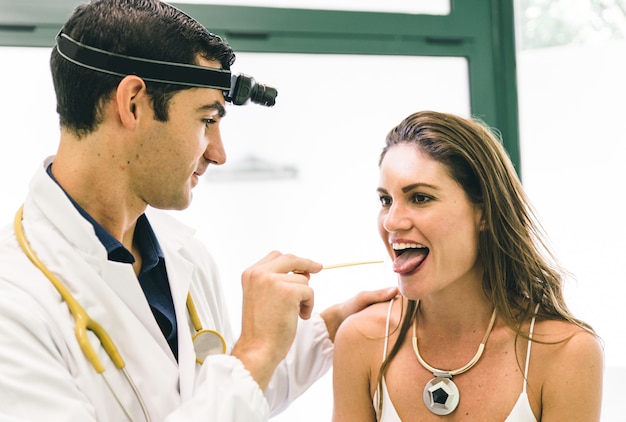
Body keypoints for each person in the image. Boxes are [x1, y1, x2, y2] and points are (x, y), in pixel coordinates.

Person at [0, 1, 397, 420]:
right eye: (207, 120)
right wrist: (254, 352)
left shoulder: (180, 256)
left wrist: (330, 330)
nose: (220, 154)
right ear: (133, 103)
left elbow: (221, 400)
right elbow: (236, 384)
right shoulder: (15, 305)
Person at [332, 110, 604, 421]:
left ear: (485, 212)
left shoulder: (566, 352)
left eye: (420, 198)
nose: (392, 222)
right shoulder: (361, 339)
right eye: (385, 200)